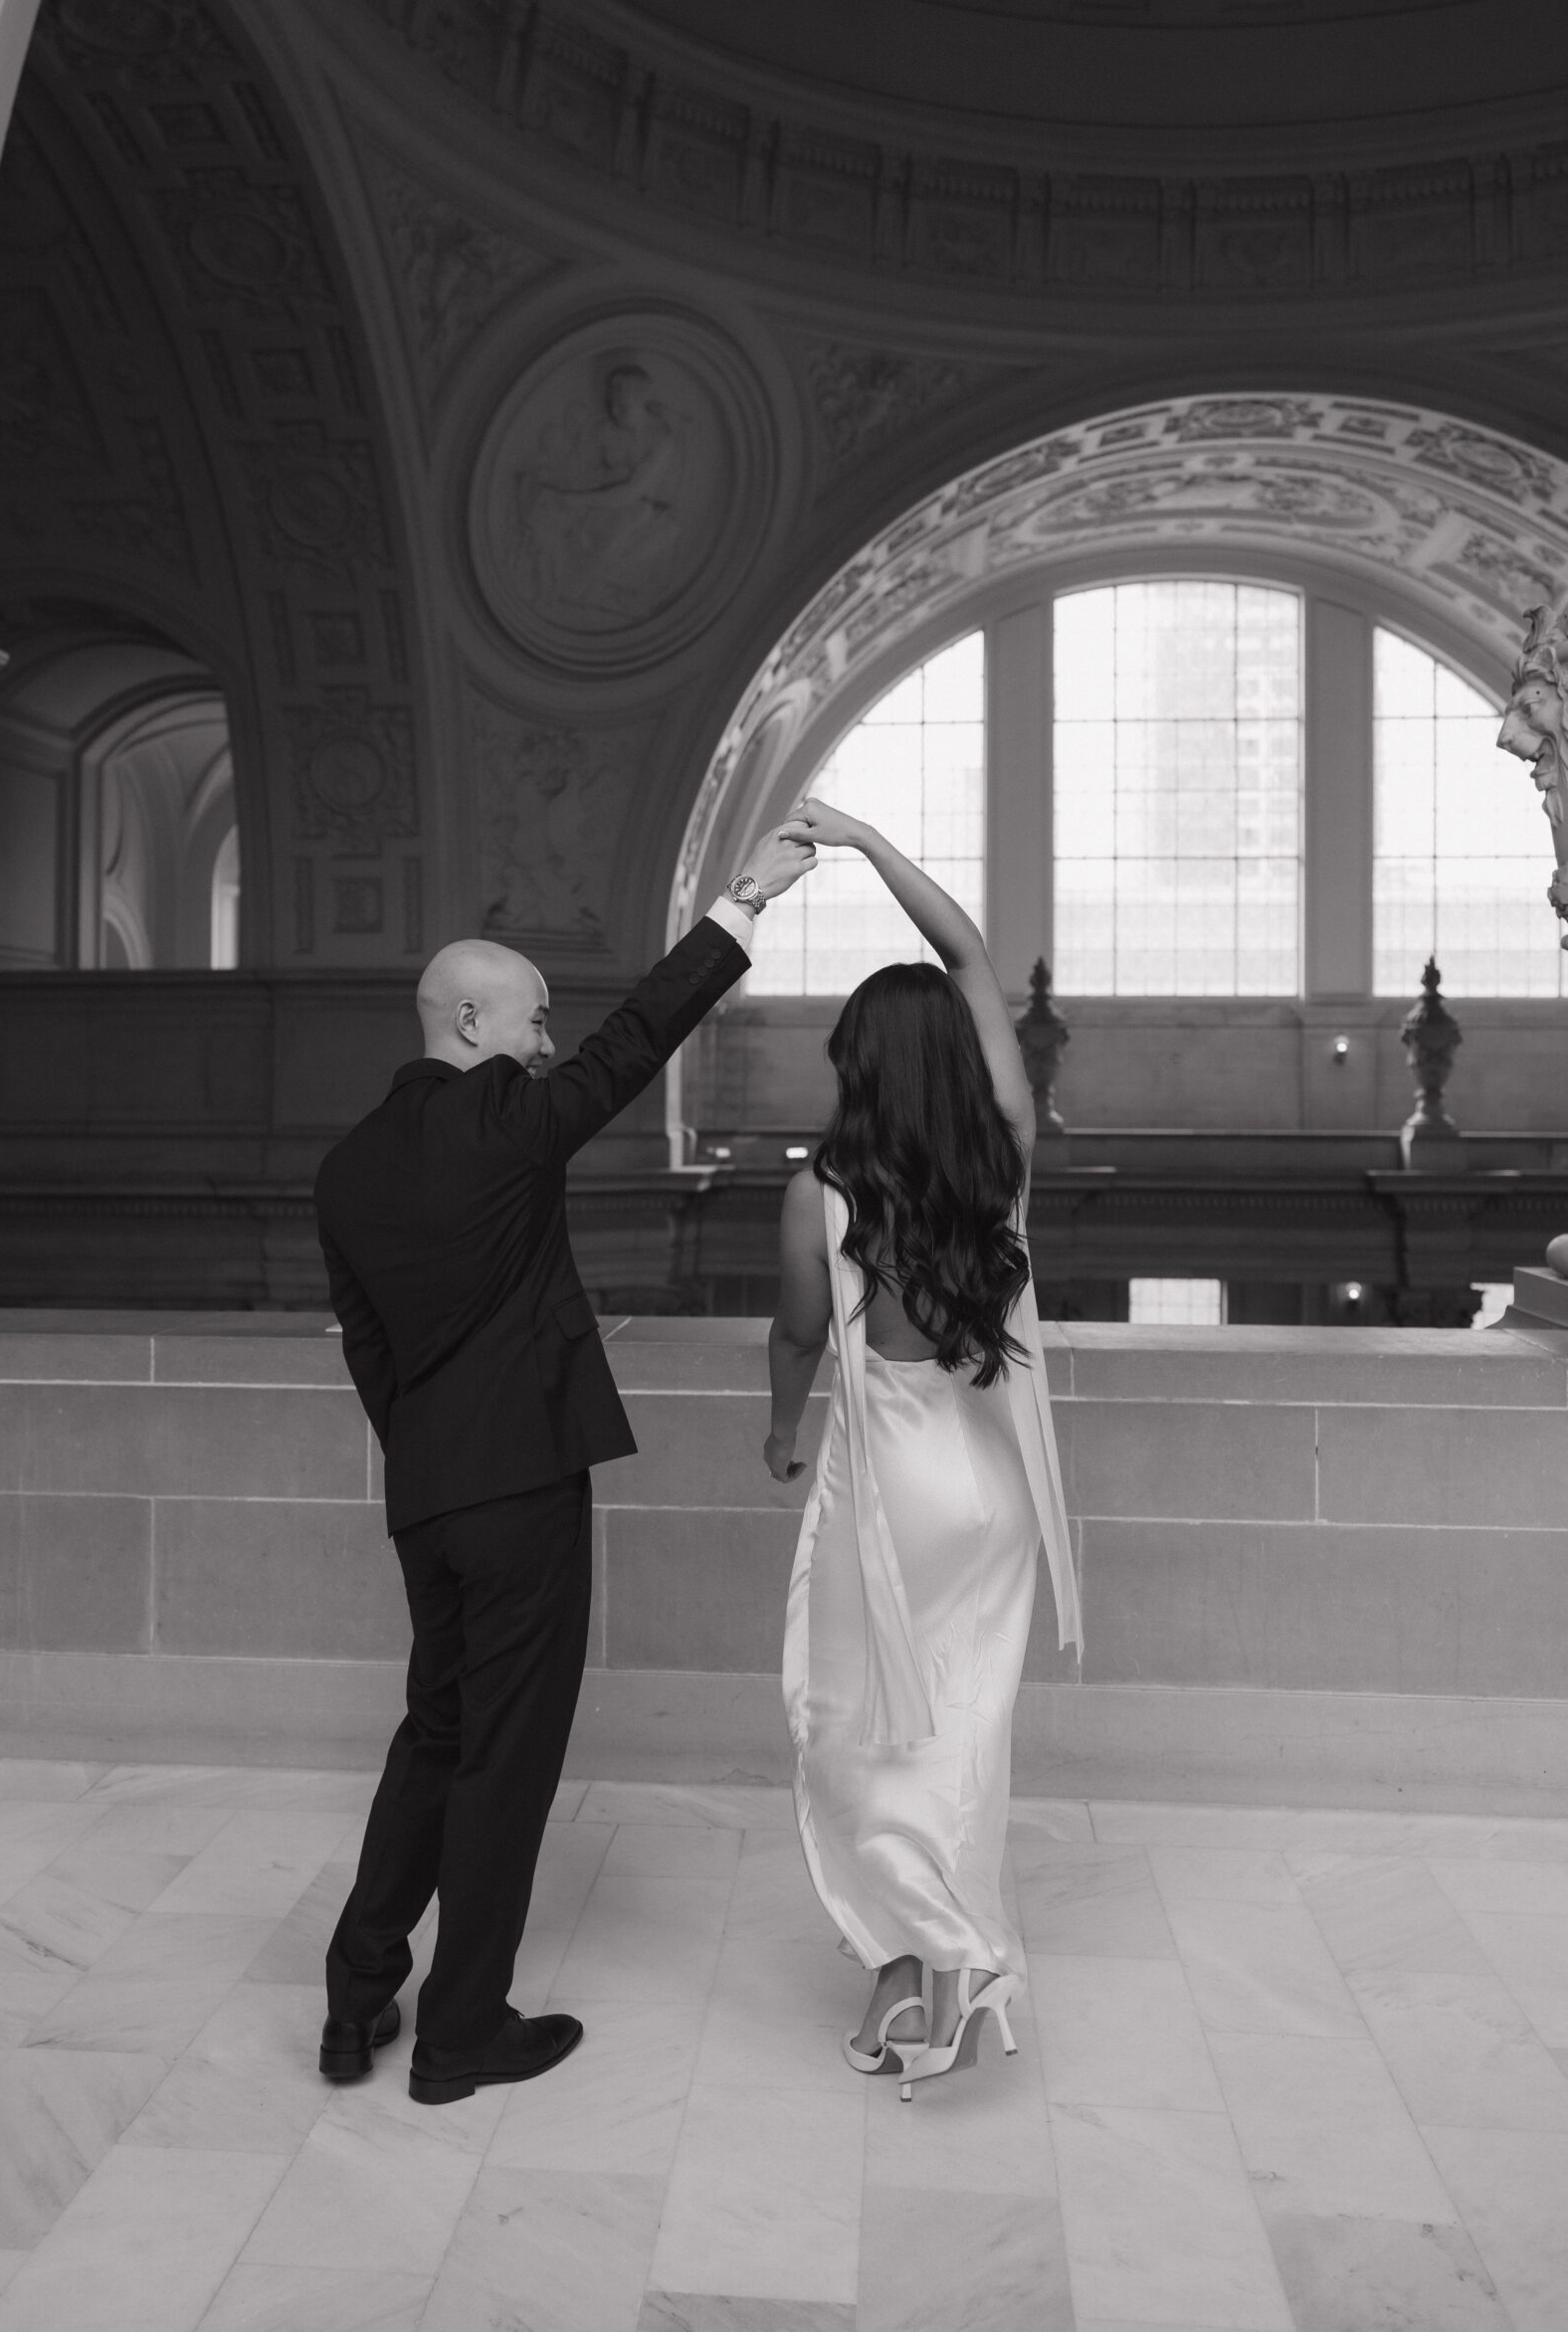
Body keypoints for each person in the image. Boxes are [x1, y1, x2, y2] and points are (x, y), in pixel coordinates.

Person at [313, 820, 814, 2106]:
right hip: (524, 1488)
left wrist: (431, 1451)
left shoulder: (347, 1167)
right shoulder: (508, 1123)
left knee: (435, 1732)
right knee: (506, 1758)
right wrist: (745, 901)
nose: (548, 1045)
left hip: (426, 1492)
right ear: (471, 1022)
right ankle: (460, 2033)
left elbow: (368, 1349)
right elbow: (633, 1042)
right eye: (534, 1021)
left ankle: (356, 1994)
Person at [764, 797, 1080, 2101]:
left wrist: (779, 1426)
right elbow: (968, 956)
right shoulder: (1001, 1156)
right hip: (990, 1491)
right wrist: (871, 843)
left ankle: (937, 1962)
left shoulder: (820, 1196)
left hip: (887, 1494)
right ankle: (916, 1971)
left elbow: (799, 1335)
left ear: (857, 1067)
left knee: (850, 1725)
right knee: (959, 1735)